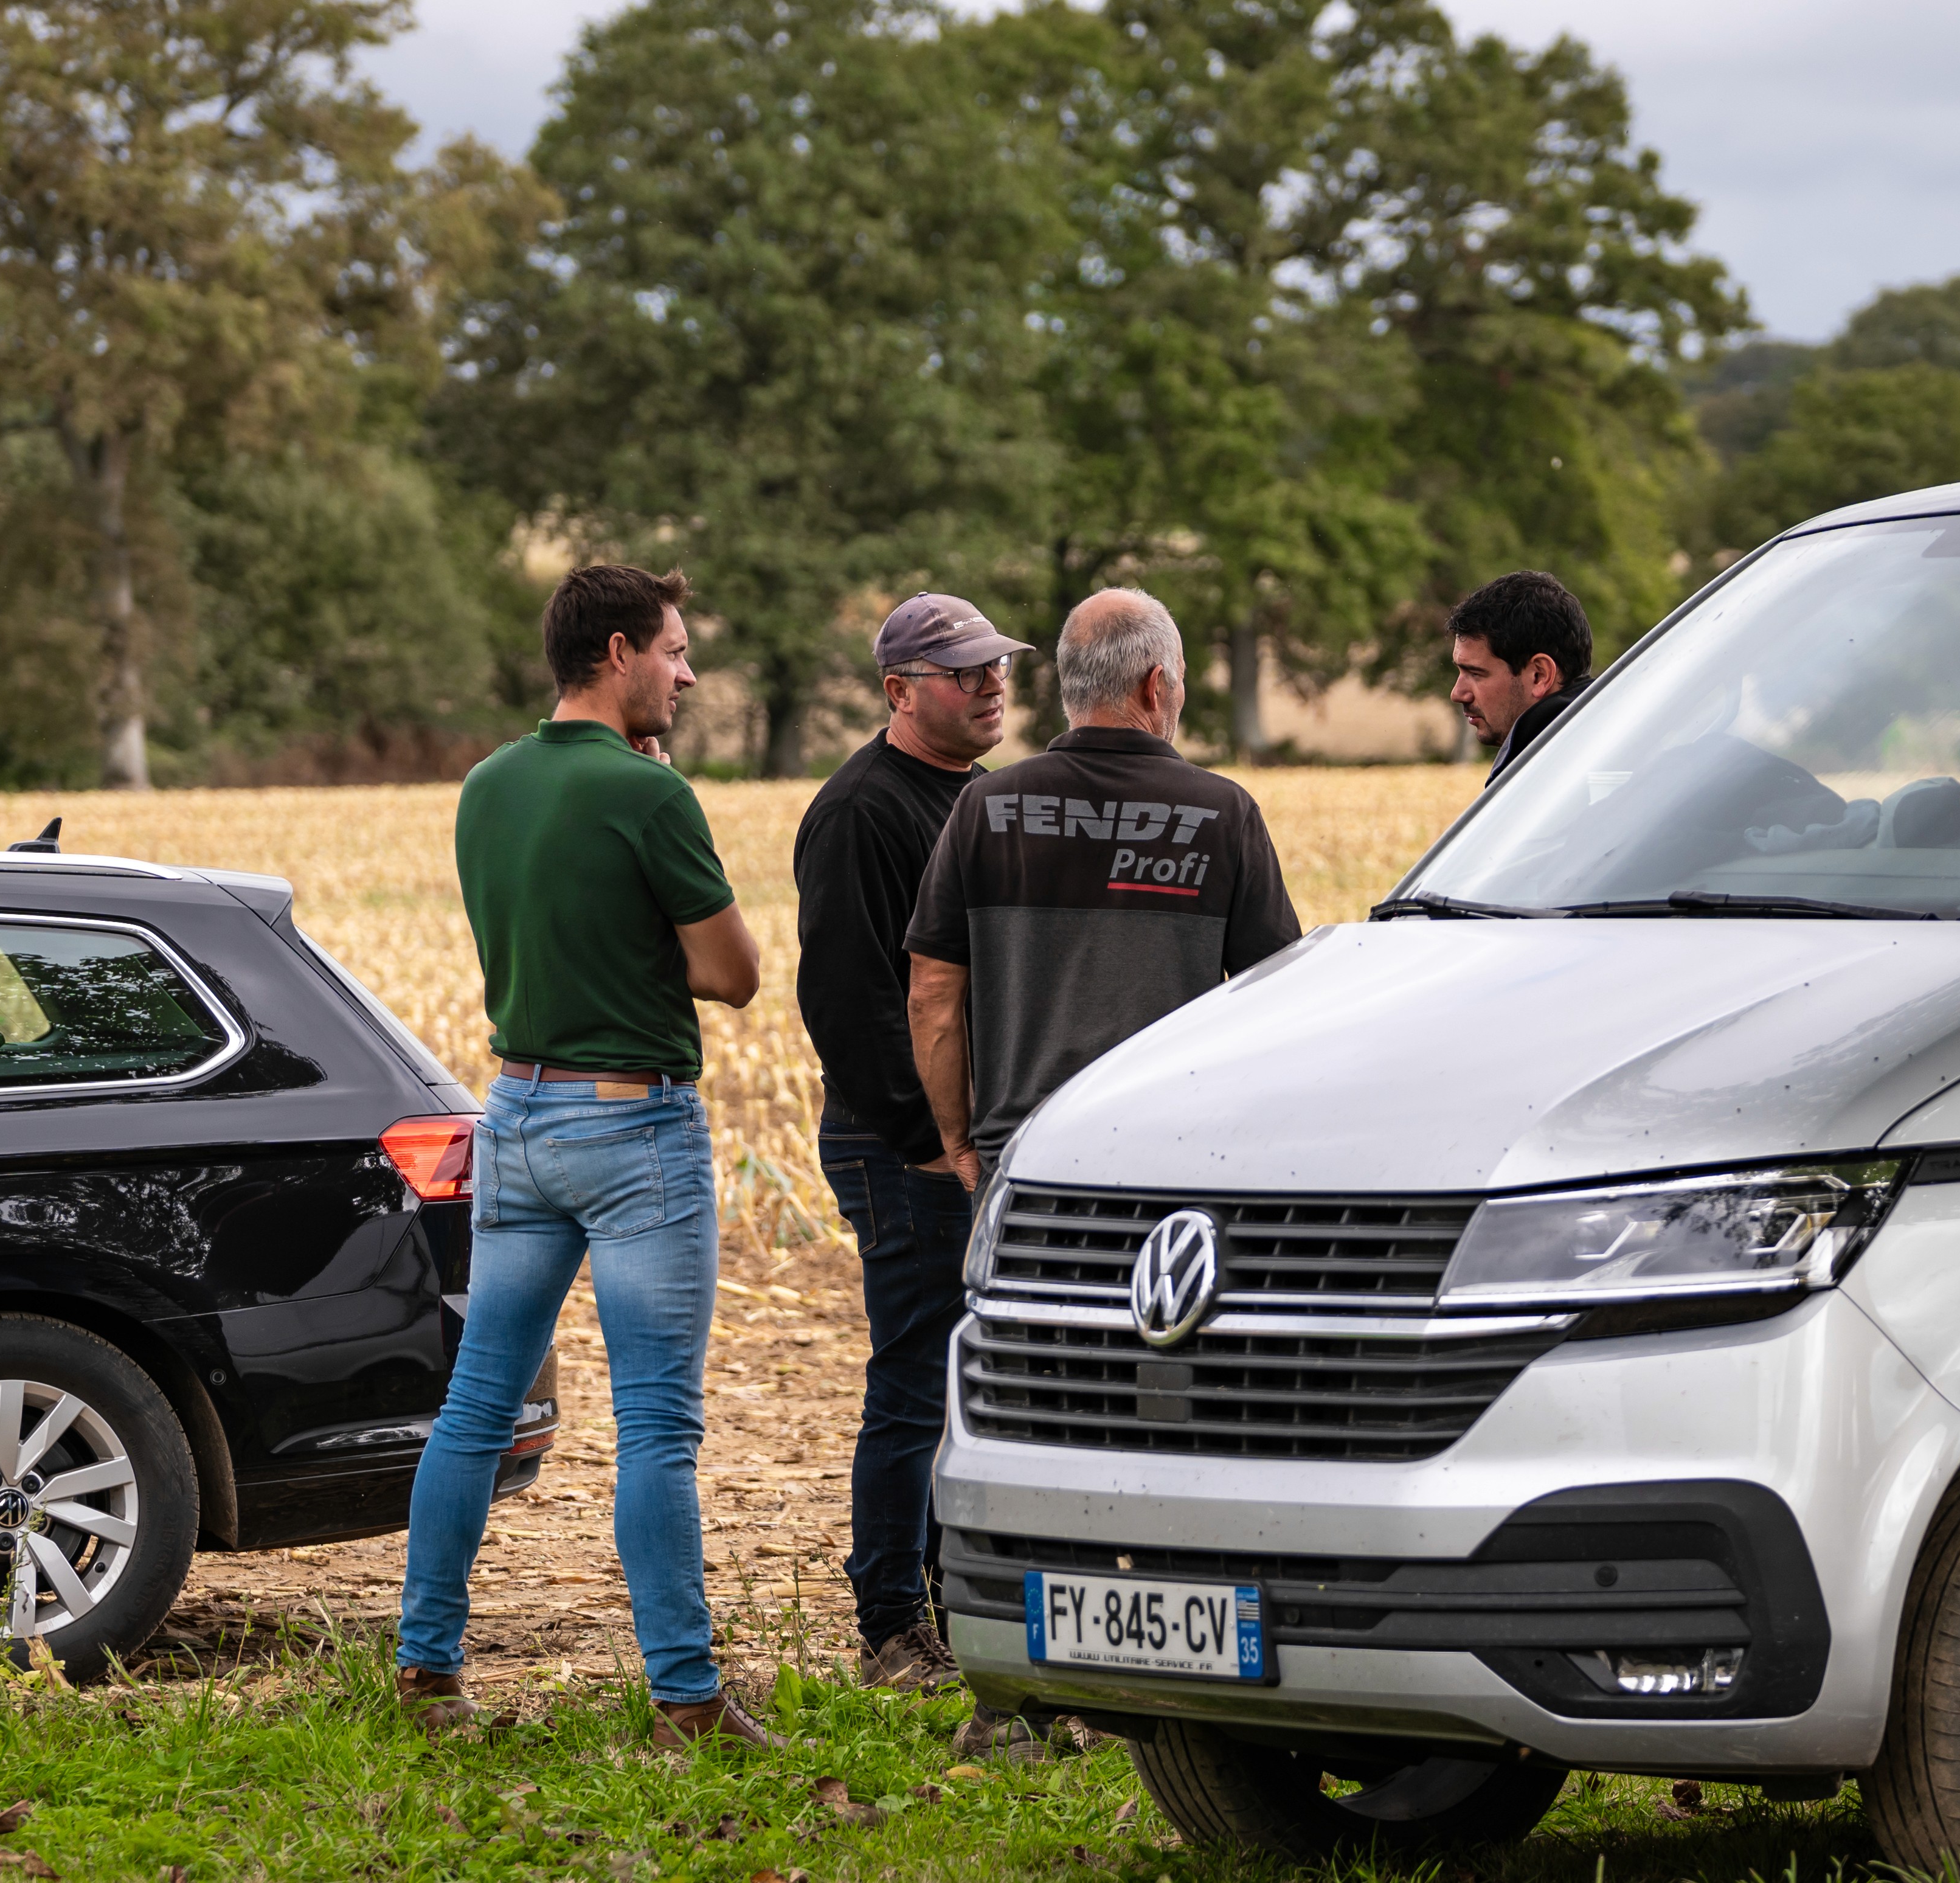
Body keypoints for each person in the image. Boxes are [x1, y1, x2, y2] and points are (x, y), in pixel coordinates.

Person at [397, 563, 770, 1748]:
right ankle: (686, 1697)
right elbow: (736, 974)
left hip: (515, 1115)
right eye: (674, 649)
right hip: (634, 1128)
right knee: (659, 1427)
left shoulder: (485, 786)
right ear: (617, 652)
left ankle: (427, 1671)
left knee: (473, 1409)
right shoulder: (653, 798)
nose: (689, 671)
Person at [790, 592, 1030, 1692]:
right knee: (913, 1380)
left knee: (962, 1378)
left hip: (971, 1138)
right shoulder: (862, 812)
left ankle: (957, 1598)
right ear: (899, 691)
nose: (991, 684)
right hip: (903, 1142)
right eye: (963, 670)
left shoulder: (976, 798)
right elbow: (847, 1000)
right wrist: (928, 1137)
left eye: (997, 667)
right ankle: (892, 1621)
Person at [907, 588, 1303, 1192]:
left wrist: (959, 1139)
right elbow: (1273, 997)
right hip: (1172, 1153)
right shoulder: (1222, 812)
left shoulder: (984, 806)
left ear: (1073, 686)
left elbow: (931, 994)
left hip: (1020, 1154)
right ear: (1155, 685)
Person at [1447, 570, 1595, 770]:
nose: (1458, 694)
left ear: (1539, 676)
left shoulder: (1559, 778)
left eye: (1475, 674)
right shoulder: (1597, 752)